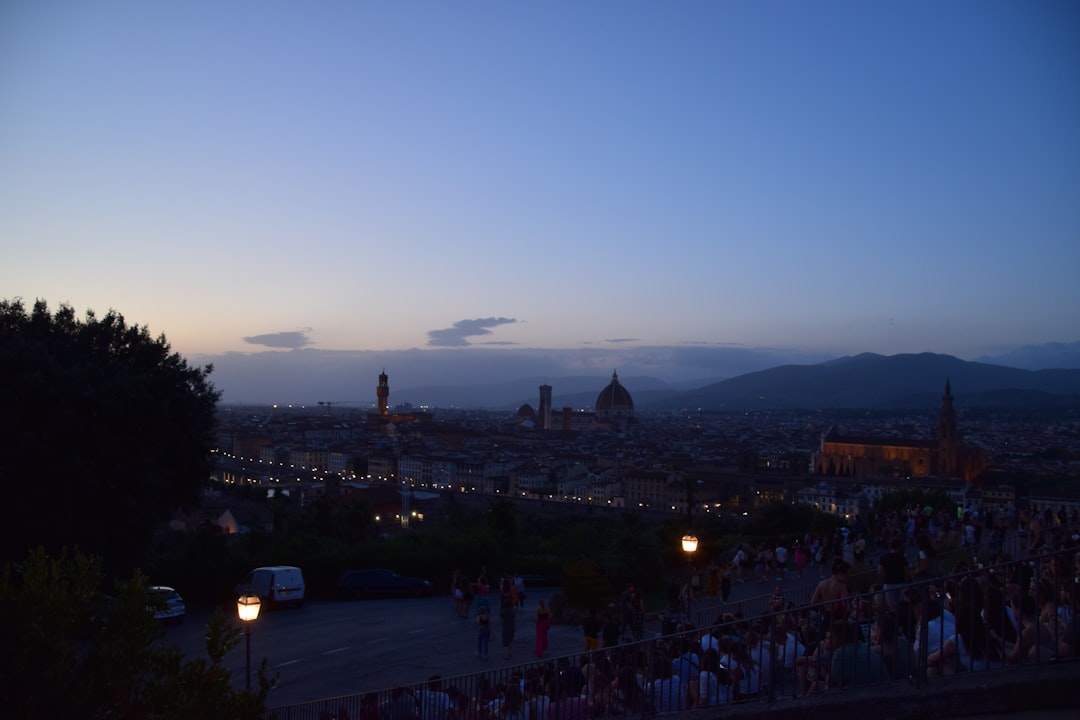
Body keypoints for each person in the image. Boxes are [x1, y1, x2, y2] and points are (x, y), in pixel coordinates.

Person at [499, 576, 517, 660]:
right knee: (509, 637)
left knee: (505, 637)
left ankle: (507, 653)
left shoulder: (503, 592)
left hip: (505, 608)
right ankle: (509, 652)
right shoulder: (511, 591)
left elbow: (501, 601)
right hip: (510, 608)